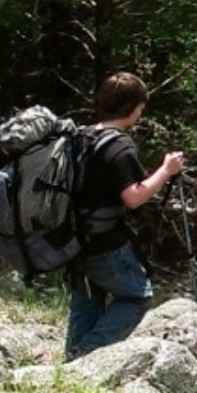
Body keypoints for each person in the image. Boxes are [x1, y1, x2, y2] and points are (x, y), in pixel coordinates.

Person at [66, 71, 185, 358]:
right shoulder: (119, 146)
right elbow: (133, 197)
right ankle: (87, 352)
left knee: (88, 298)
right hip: (106, 241)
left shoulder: (81, 137)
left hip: (74, 240)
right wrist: (166, 171)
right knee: (137, 296)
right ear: (131, 107)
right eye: (141, 108)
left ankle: (71, 364)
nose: (141, 113)